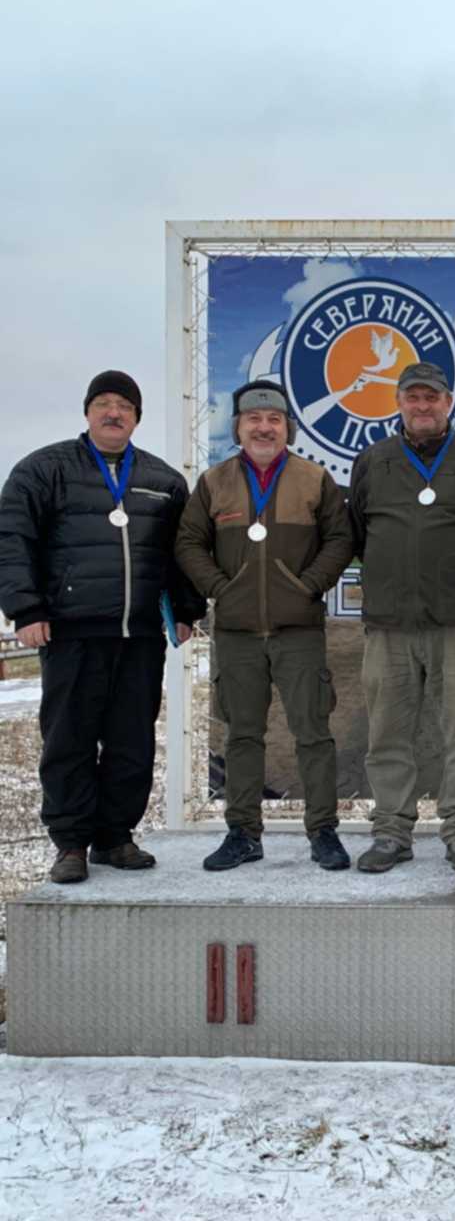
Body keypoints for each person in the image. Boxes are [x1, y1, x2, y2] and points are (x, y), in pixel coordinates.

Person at [0, 371, 204, 883]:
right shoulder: (43, 470)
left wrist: (184, 610)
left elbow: (180, 553)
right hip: (70, 631)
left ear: (137, 417)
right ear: (88, 412)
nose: (114, 413)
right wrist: (26, 610)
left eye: (124, 406)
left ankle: (115, 837)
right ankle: (70, 842)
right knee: (69, 737)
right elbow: (13, 539)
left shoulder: (162, 481)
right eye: (104, 404)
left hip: (138, 634)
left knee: (131, 738)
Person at [348, 361, 455, 872]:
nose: (422, 406)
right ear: (399, 403)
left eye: (432, 397)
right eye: (413, 397)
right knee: (386, 733)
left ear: (449, 403)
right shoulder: (373, 462)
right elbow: (358, 533)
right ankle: (391, 832)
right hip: (389, 625)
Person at [175, 380, 354, 871]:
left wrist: (309, 584)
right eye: (254, 419)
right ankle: (243, 834)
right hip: (236, 634)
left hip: (299, 631)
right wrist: (219, 586)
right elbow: (188, 542)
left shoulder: (315, 479)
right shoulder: (213, 483)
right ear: (237, 427)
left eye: (274, 419)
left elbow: (340, 539)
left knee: (313, 734)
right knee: (241, 736)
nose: (264, 427)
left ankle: (323, 832)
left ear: (288, 429)